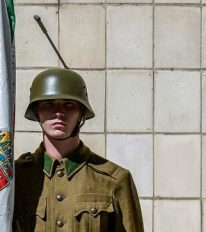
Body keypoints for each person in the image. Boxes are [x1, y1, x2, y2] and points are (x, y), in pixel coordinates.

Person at [13, 68, 144, 231]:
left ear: (82, 112)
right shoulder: (15, 179)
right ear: (36, 112)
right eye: (48, 104)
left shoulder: (114, 180)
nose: (58, 113)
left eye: (69, 104)